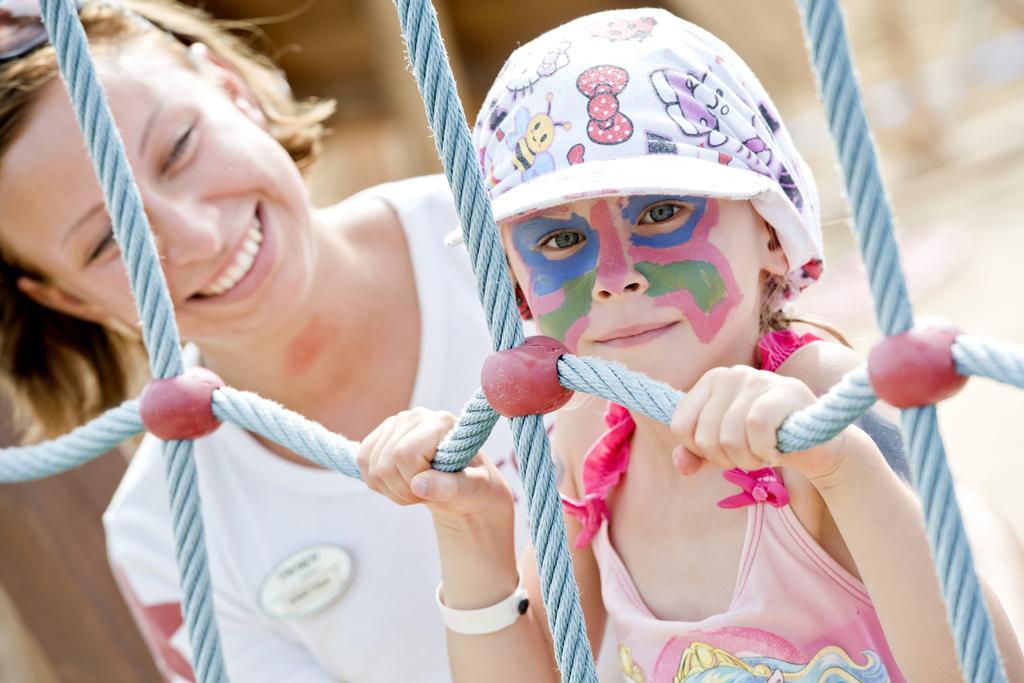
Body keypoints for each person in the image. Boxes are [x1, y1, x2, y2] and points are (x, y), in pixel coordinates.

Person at [360, 9, 1024, 682]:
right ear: (520, 288)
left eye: (660, 213)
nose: (617, 276)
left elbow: (988, 669)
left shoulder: (824, 399)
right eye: (561, 241)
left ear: (771, 231)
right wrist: (469, 532)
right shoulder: (585, 443)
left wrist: (841, 465)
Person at [0, 1, 533, 681]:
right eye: (109, 241)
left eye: (179, 149)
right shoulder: (166, 532)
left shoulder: (535, 238)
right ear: (68, 298)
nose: (196, 237)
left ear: (230, 87)